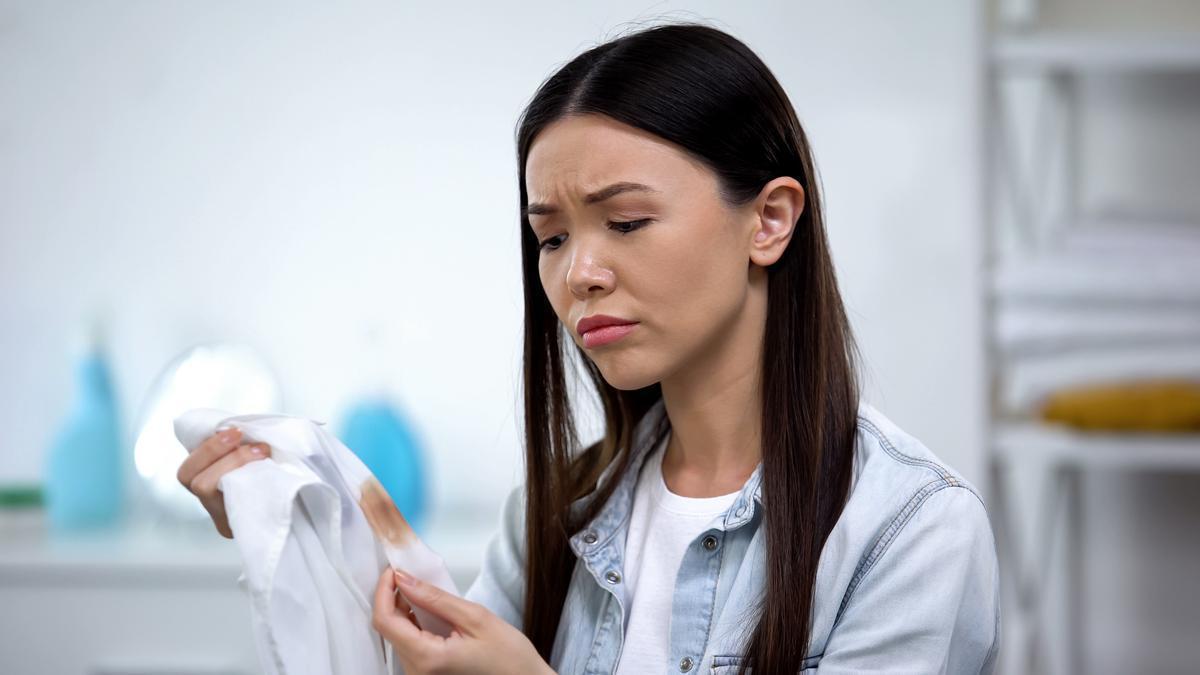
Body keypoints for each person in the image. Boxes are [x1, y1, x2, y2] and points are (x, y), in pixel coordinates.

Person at [179, 21, 999, 675]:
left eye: (628, 222)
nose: (580, 274)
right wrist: (292, 527)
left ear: (770, 219)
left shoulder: (911, 530)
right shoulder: (562, 508)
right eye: (551, 237)